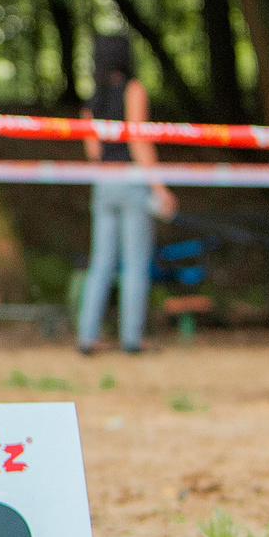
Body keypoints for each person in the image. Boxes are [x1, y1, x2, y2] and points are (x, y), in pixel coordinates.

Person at [76, 33, 174, 355]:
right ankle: (131, 339)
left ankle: (87, 336)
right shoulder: (134, 90)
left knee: (100, 263)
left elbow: (92, 150)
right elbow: (139, 142)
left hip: (103, 182)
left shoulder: (92, 99)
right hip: (131, 181)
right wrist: (160, 189)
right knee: (134, 263)